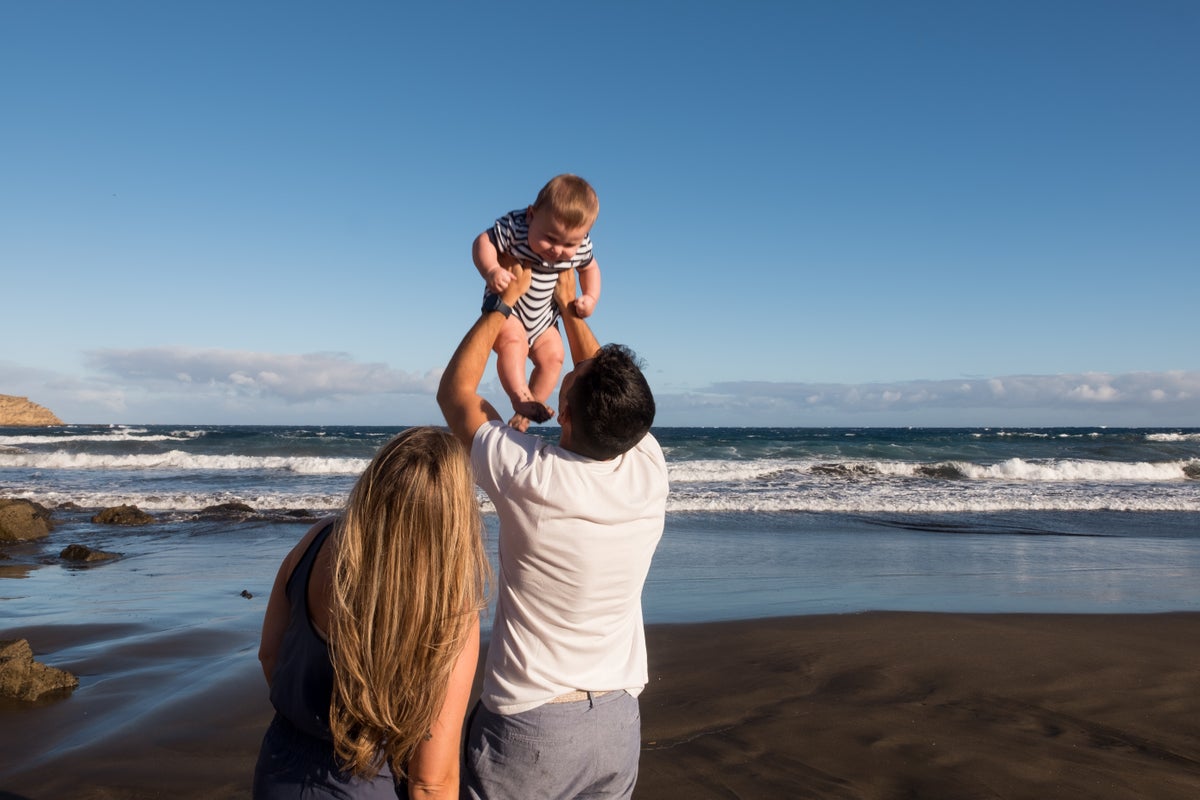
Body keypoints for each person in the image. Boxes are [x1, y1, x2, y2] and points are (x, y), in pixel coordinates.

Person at [438, 265, 669, 799]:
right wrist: (569, 306)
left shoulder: (529, 475)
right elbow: (599, 378)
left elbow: (456, 395)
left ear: (561, 414)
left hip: (531, 726)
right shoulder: (648, 466)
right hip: (616, 721)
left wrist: (501, 305)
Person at [253, 427, 490, 800]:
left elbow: (270, 654)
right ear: (455, 512)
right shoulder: (451, 605)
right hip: (369, 777)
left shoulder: (316, 541)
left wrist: (311, 724)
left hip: (280, 763)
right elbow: (430, 782)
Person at [472, 173, 603, 432]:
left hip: (544, 318)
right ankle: (520, 397)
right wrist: (491, 270)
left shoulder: (582, 245)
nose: (557, 249)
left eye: (569, 243)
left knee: (554, 357)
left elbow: (590, 269)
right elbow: (483, 242)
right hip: (510, 311)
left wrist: (590, 297)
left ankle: (531, 409)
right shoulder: (516, 227)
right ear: (531, 215)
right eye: (551, 238)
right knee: (513, 343)